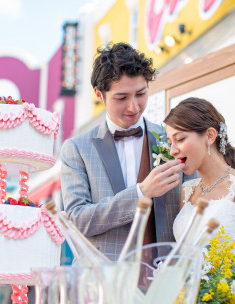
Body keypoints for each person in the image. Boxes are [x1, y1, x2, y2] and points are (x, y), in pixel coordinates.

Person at [60, 42, 197, 261]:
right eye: (121, 98)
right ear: (99, 94)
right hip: (103, 281)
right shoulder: (77, 149)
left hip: (165, 277)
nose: (133, 107)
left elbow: (196, 203)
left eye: (141, 94)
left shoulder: (173, 139)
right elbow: (78, 221)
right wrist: (141, 192)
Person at [164, 97, 235, 273]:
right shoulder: (186, 191)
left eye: (180, 139)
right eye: (170, 142)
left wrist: (234, 299)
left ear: (210, 136)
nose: (173, 151)